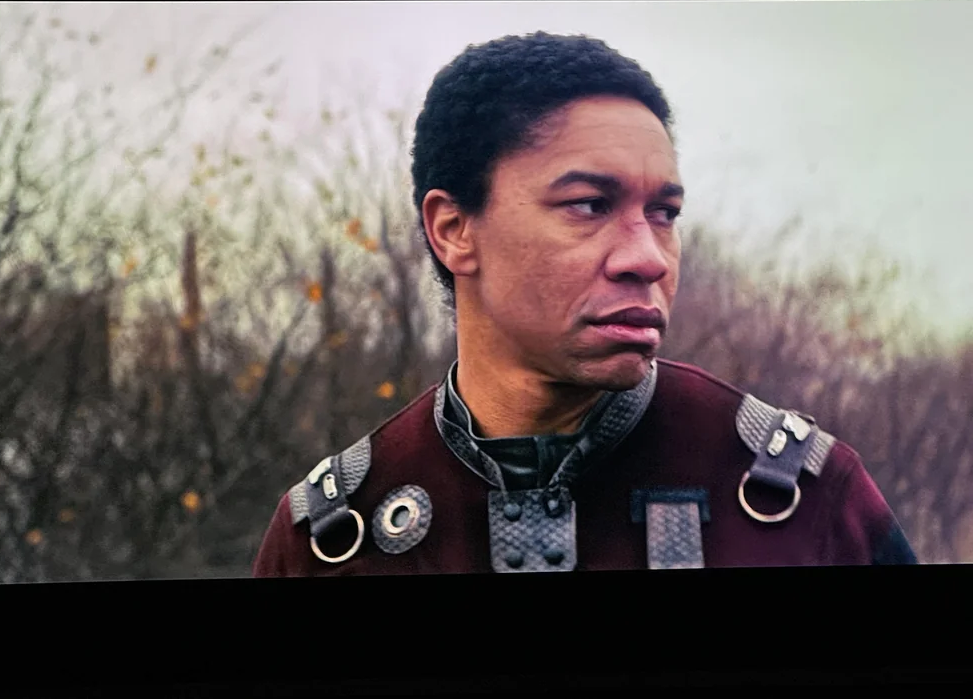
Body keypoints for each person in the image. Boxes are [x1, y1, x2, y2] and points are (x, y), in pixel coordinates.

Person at [252, 31, 917, 576]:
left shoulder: (795, 499)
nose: (648, 258)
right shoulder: (334, 537)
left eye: (664, 212)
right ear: (454, 230)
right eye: (589, 205)